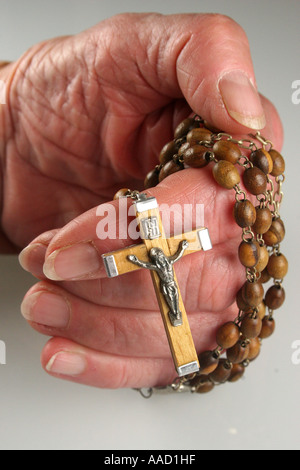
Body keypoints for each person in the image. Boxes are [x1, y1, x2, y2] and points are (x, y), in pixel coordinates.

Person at [0, 13, 283, 389]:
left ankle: (193, 365)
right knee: (174, 295)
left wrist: (10, 121)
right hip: (156, 258)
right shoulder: (146, 254)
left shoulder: (174, 246)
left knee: (188, 299)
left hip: (164, 256)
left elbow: (187, 241)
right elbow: (134, 257)